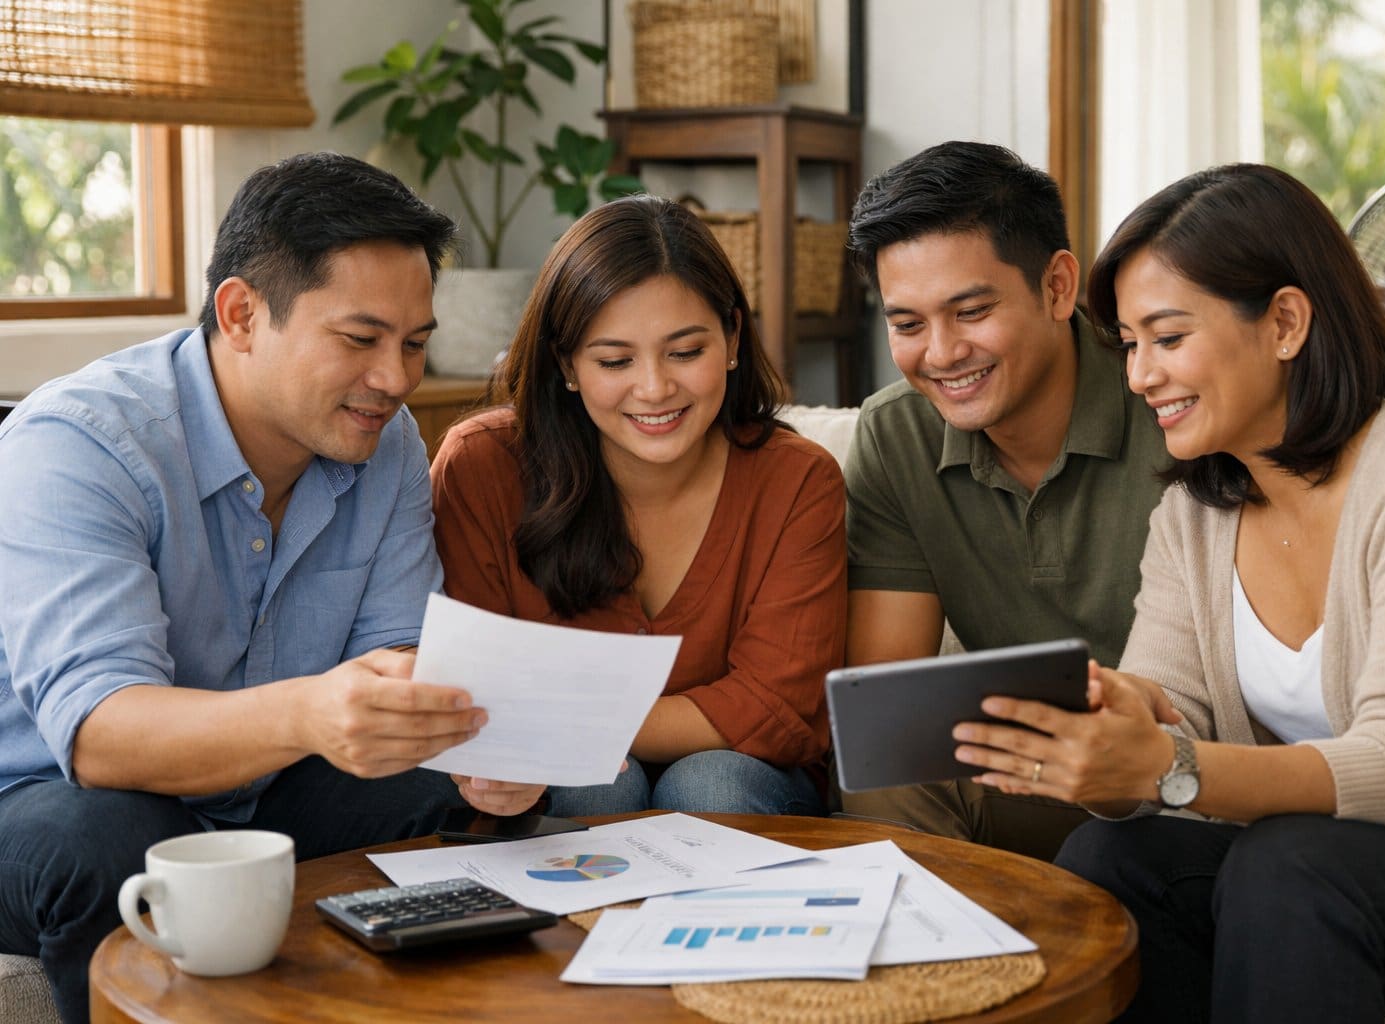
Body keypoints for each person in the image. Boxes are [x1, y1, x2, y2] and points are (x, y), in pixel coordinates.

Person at [952, 163, 1385, 1021]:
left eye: (1168, 337)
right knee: (1112, 859)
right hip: (1304, 871)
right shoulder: (1193, 514)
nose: (1140, 375)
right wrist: (1107, 730)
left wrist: (1168, 765)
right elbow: (1169, 717)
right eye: (1130, 344)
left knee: (1286, 866)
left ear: (1287, 323)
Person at [0, 152, 544, 1024]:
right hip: (39, 802)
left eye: (414, 344)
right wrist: (309, 713)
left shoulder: (388, 443)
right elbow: (101, 733)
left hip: (264, 785)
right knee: (114, 839)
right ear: (242, 314)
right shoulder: (80, 444)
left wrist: (468, 746)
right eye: (361, 340)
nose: (396, 380)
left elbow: (394, 659)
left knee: (427, 791)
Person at [431, 194, 845, 817]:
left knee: (708, 784)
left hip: (745, 783)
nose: (654, 388)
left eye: (685, 352)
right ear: (567, 364)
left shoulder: (799, 481)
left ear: (732, 339)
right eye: (615, 360)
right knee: (600, 783)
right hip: (553, 785)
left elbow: (780, 709)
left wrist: (573, 724)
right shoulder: (483, 467)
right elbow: (473, 686)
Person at [836, 141, 1171, 859]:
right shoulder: (896, 436)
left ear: (1057, 286)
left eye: (972, 310)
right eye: (907, 324)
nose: (943, 352)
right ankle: (944, 972)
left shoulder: (1169, 402)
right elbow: (890, 704)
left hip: (1185, 769)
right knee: (885, 774)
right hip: (1032, 781)